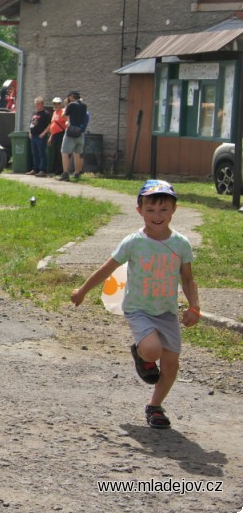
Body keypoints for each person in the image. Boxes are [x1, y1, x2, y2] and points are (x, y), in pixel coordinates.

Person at [70, 179, 200, 429]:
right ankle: (143, 354)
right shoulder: (133, 242)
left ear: (174, 210)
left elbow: (188, 278)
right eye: (150, 210)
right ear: (139, 211)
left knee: (171, 365)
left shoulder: (181, 244)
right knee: (153, 350)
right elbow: (107, 268)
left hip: (167, 311)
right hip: (139, 309)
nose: (157, 215)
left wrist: (194, 306)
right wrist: (83, 290)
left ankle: (155, 406)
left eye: (163, 209)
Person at [57, 90, 88, 181]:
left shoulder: (71, 105)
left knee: (64, 152)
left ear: (71, 96)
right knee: (77, 153)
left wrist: (66, 106)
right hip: (81, 132)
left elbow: (63, 115)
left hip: (71, 131)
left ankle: (65, 173)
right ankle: (77, 173)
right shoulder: (84, 105)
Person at [27, 96, 50, 176]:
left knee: (42, 153)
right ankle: (35, 169)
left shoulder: (46, 114)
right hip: (33, 136)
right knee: (34, 153)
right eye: (35, 104)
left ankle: (42, 170)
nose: (36, 105)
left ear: (42, 104)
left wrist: (43, 133)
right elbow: (32, 124)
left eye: (38, 104)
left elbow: (49, 125)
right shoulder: (34, 113)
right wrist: (30, 132)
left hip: (41, 137)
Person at [46, 96, 66, 177]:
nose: (56, 105)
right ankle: (55, 170)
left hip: (61, 134)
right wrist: (51, 136)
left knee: (59, 152)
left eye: (58, 103)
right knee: (55, 152)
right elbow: (52, 124)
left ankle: (60, 170)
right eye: (54, 103)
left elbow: (67, 122)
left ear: (61, 104)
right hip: (54, 135)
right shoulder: (54, 113)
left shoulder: (63, 112)